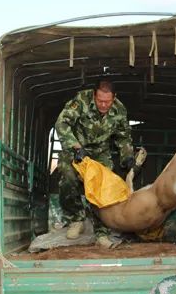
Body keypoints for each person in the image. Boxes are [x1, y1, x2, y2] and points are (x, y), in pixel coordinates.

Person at [55, 79, 134, 248]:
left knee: (104, 189)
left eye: (108, 101)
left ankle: (102, 233)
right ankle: (76, 219)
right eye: (100, 101)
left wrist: (127, 155)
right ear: (94, 95)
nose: (103, 105)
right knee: (67, 177)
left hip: (100, 153)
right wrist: (76, 147)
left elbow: (123, 136)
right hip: (76, 148)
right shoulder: (81, 101)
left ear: (114, 98)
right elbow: (62, 123)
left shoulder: (119, 110)